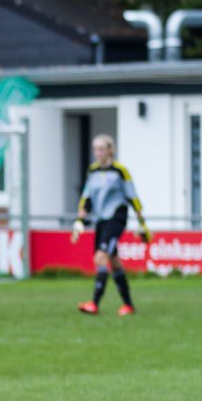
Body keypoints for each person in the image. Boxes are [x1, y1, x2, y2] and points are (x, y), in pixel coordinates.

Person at [73, 134, 151, 316]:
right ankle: (128, 305)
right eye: (95, 149)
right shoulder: (92, 171)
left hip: (117, 218)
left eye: (101, 149)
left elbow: (132, 196)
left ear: (110, 150)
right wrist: (81, 216)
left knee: (100, 257)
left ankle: (94, 303)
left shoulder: (120, 171)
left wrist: (142, 222)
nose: (98, 153)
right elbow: (87, 196)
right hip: (101, 219)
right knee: (114, 263)